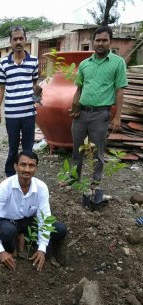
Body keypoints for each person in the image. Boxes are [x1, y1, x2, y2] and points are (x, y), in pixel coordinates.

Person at [0, 150, 67, 271]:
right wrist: (0, 251)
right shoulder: (5, 187)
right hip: (8, 221)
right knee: (7, 232)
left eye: (31, 165)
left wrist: (42, 249)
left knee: (60, 229)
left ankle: (25, 238)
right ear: (15, 167)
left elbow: (44, 217)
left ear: (36, 168)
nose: (27, 169)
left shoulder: (41, 188)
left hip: (28, 221)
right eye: (23, 165)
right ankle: (13, 245)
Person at [70, 25, 128, 185]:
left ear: (110, 42)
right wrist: (74, 105)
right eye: (98, 40)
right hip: (81, 114)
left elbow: (120, 91)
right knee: (77, 150)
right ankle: (74, 179)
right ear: (93, 42)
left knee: (98, 152)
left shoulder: (118, 63)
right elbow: (79, 88)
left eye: (104, 40)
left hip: (101, 115)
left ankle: (95, 183)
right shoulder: (84, 64)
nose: (100, 43)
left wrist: (118, 117)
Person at [0, 26, 41, 177]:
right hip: (12, 114)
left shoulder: (33, 61)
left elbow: (35, 87)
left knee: (28, 148)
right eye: (15, 39)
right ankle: (10, 175)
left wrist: (37, 99)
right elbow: (1, 87)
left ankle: (28, 175)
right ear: (10, 42)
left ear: (25, 40)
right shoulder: (4, 63)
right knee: (13, 147)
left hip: (29, 113)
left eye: (21, 38)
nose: (18, 41)